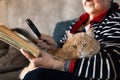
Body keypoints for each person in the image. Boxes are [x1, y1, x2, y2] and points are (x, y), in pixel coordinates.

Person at [20, 0, 120, 80]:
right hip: (67, 69)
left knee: (37, 76)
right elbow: (66, 50)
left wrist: (53, 64)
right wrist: (55, 45)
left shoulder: (115, 19)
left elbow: (113, 66)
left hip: (87, 75)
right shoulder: (77, 23)